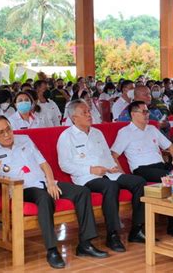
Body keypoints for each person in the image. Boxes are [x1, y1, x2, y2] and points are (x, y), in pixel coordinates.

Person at [0, 116, 107, 268]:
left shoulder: (25, 139)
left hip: (44, 183)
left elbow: (44, 164)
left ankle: (85, 244)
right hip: (22, 189)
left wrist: (51, 182)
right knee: (44, 198)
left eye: (8, 129)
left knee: (82, 192)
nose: (7, 135)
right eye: (1, 133)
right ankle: (52, 250)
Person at [58, 100, 147, 253]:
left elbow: (107, 155)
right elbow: (64, 165)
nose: (89, 115)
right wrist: (90, 169)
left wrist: (113, 168)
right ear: (74, 118)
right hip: (86, 178)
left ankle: (137, 229)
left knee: (139, 182)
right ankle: (112, 235)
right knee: (110, 187)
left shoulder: (97, 133)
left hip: (108, 173)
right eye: (84, 113)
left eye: (88, 111)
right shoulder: (67, 137)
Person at [111, 101, 173, 237]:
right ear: (133, 114)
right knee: (172, 178)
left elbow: (171, 147)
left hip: (160, 166)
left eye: (147, 111)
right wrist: (122, 175)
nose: (148, 115)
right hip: (142, 169)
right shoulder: (125, 132)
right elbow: (114, 155)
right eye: (144, 112)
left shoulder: (152, 129)